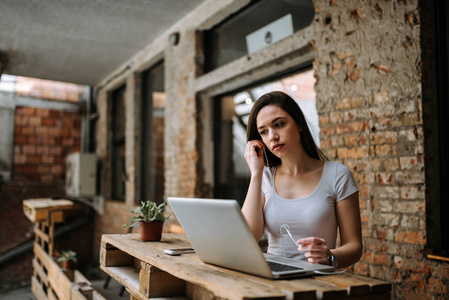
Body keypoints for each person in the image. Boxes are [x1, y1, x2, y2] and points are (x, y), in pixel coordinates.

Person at [242, 91, 362, 269]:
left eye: (279, 124)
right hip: (274, 279)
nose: (272, 136)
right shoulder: (264, 178)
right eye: (263, 132)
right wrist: (256, 173)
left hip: (319, 281)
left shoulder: (337, 174)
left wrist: (329, 256)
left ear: (299, 124)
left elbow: (355, 246)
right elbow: (249, 237)